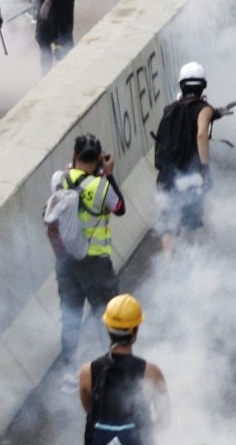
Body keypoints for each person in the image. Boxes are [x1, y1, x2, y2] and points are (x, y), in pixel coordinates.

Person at [53, 134, 126, 364]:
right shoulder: (101, 186)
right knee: (107, 315)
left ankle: (68, 374)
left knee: (70, 317)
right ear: (98, 159)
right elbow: (120, 207)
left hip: (65, 260)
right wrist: (109, 173)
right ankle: (114, 365)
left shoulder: (59, 180)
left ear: (75, 156)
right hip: (95, 262)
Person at [79, 295, 169, 445]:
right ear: (135, 330)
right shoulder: (151, 372)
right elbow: (165, 419)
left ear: (108, 327)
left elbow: (90, 409)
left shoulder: (87, 372)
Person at [152, 62, 215, 255]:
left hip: (166, 176)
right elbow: (201, 134)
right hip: (190, 176)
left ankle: (168, 267)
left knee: (169, 223)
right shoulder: (204, 108)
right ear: (203, 86)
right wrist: (205, 168)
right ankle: (187, 268)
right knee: (190, 223)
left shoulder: (169, 109)